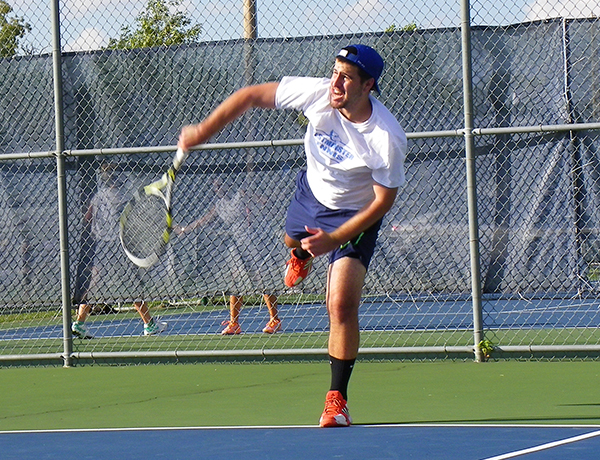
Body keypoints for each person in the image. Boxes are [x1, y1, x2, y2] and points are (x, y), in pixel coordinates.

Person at [177, 44, 407, 427]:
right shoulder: (317, 92)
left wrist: (337, 239)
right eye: (334, 72)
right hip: (312, 195)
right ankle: (299, 256)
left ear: (368, 86)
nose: (335, 82)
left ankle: (337, 400)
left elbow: (383, 202)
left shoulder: (386, 137)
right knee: (292, 241)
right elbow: (251, 96)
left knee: (341, 305)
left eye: (346, 77)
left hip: (357, 214)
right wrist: (203, 130)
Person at [72, 163, 167, 339]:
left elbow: (87, 218)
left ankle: (79, 322)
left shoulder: (97, 197)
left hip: (101, 246)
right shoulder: (121, 197)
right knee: (133, 286)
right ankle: (149, 324)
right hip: (118, 246)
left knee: (95, 284)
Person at [174, 178, 281, 335]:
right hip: (237, 245)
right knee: (236, 283)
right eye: (215, 185)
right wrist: (184, 230)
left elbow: (264, 203)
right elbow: (203, 221)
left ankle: (275, 320)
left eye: (220, 184)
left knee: (261, 279)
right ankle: (234, 323)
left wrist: (258, 202)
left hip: (255, 241)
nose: (217, 187)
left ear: (228, 183)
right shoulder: (220, 205)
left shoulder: (241, 195)